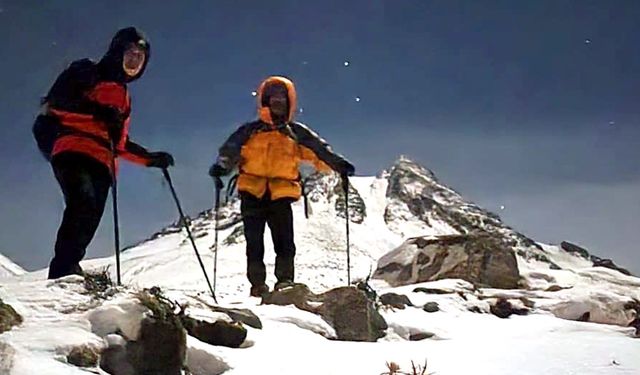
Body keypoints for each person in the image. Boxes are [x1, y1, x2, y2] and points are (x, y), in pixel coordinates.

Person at [35, 27, 174, 279]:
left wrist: (151, 159)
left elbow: (119, 142)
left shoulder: (124, 98)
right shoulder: (87, 71)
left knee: (90, 213)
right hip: (73, 148)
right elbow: (56, 102)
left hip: (103, 162)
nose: (134, 60)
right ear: (117, 51)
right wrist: (97, 111)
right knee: (83, 202)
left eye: (140, 58)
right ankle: (63, 268)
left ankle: (69, 268)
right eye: (130, 53)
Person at [209, 76, 355, 296]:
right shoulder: (252, 132)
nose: (277, 102)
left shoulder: (293, 133)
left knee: (284, 242)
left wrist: (339, 165)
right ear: (264, 101)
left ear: (289, 103)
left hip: (279, 194)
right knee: (254, 243)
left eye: (281, 99)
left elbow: (320, 152)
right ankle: (259, 285)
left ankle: (284, 283)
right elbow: (229, 152)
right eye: (273, 98)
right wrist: (222, 167)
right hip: (253, 192)